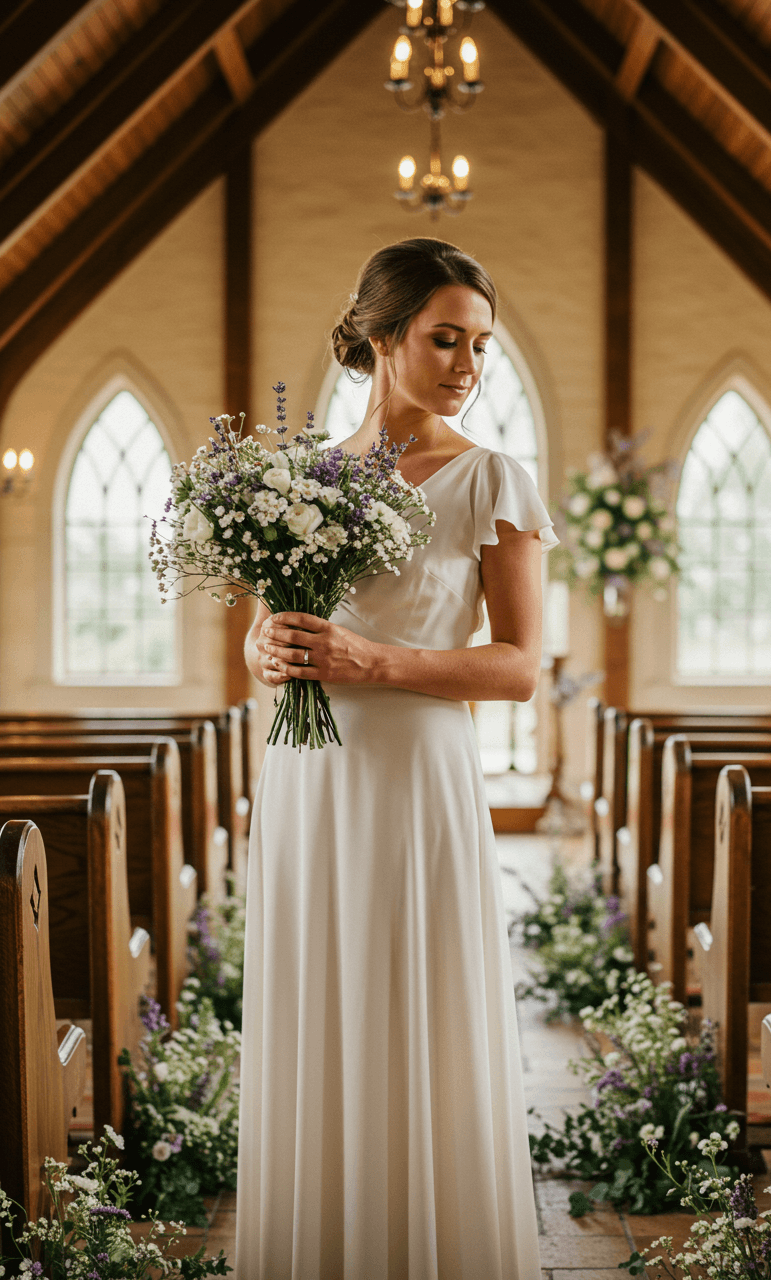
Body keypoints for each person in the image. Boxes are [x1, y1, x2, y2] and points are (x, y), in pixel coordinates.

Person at [234, 237, 557, 1279]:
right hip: (307, 776)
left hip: (417, 773)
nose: (466, 363)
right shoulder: (296, 478)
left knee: (413, 995)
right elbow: (263, 639)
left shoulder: (490, 476)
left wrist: (374, 657)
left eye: (478, 344)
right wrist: (264, 646)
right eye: (444, 338)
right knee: (317, 992)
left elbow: (518, 668)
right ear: (381, 337)